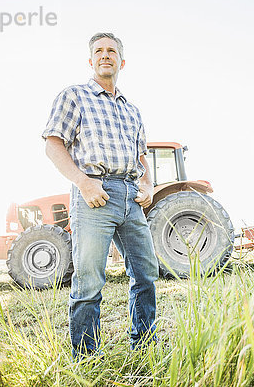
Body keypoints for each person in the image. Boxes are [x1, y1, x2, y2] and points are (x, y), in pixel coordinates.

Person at [42, 32, 159, 357]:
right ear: (90, 60)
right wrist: (83, 182)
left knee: (146, 273)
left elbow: (141, 156)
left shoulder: (133, 110)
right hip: (94, 193)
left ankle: (145, 347)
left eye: (111, 51)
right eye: (98, 51)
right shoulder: (75, 96)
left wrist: (147, 185)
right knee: (90, 279)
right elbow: (53, 145)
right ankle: (86, 358)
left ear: (121, 62)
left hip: (130, 197)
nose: (105, 55)